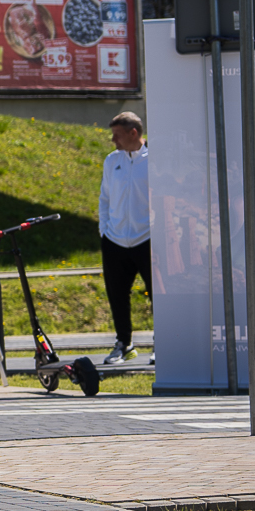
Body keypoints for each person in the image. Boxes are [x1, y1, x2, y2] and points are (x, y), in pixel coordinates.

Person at [98, 110, 150, 364]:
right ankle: (124, 343)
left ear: (133, 133)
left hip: (147, 239)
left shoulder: (155, 159)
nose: (113, 141)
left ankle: (162, 345)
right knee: (117, 294)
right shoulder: (111, 160)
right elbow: (104, 198)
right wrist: (104, 231)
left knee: (158, 295)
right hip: (115, 240)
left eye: (117, 135)